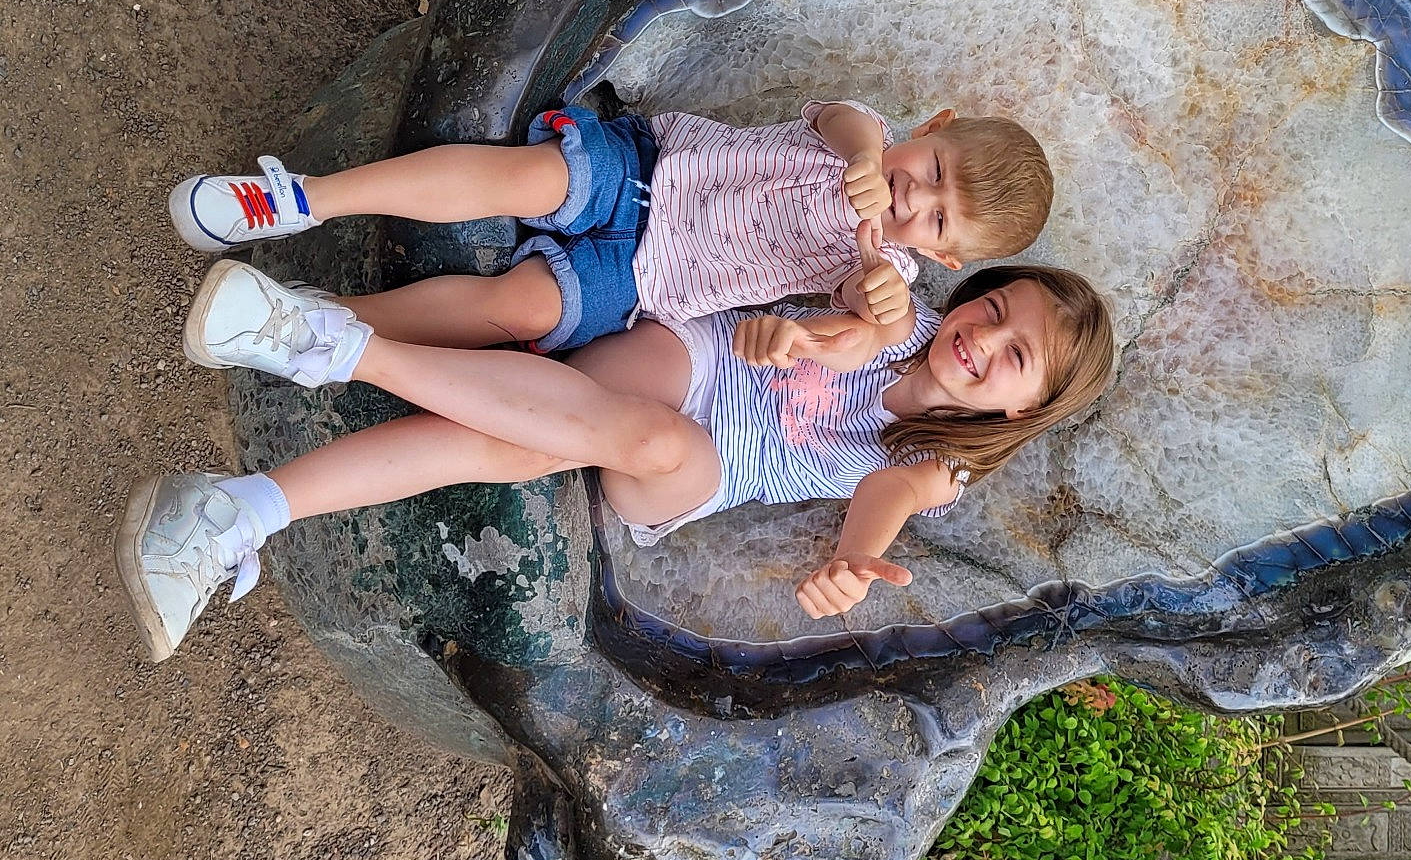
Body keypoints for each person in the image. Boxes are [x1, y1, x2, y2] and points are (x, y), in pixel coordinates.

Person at [118, 254, 1117, 658]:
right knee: (505, 449)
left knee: (642, 442)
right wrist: (851, 312)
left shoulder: (948, 464)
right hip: (686, 360)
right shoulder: (904, 305)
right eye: (994, 309)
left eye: (1011, 356)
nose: (981, 341)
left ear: (1025, 407)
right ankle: (237, 509)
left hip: (693, 469)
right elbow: (863, 257)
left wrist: (852, 565)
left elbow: (886, 498)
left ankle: (333, 345)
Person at [170, 98, 1054, 360]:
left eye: (936, 220)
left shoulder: (885, 266)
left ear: (941, 254)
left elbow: (876, 331)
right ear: (931, 128)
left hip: (643, 285)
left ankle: (315, 313)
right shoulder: (864, 141)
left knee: (519, 310)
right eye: (929, 172)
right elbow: (844, 122)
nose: (910, 199)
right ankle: (303, 198)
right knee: (528, 177)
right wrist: (868, 154)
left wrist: (881, 307)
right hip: (644, 173)